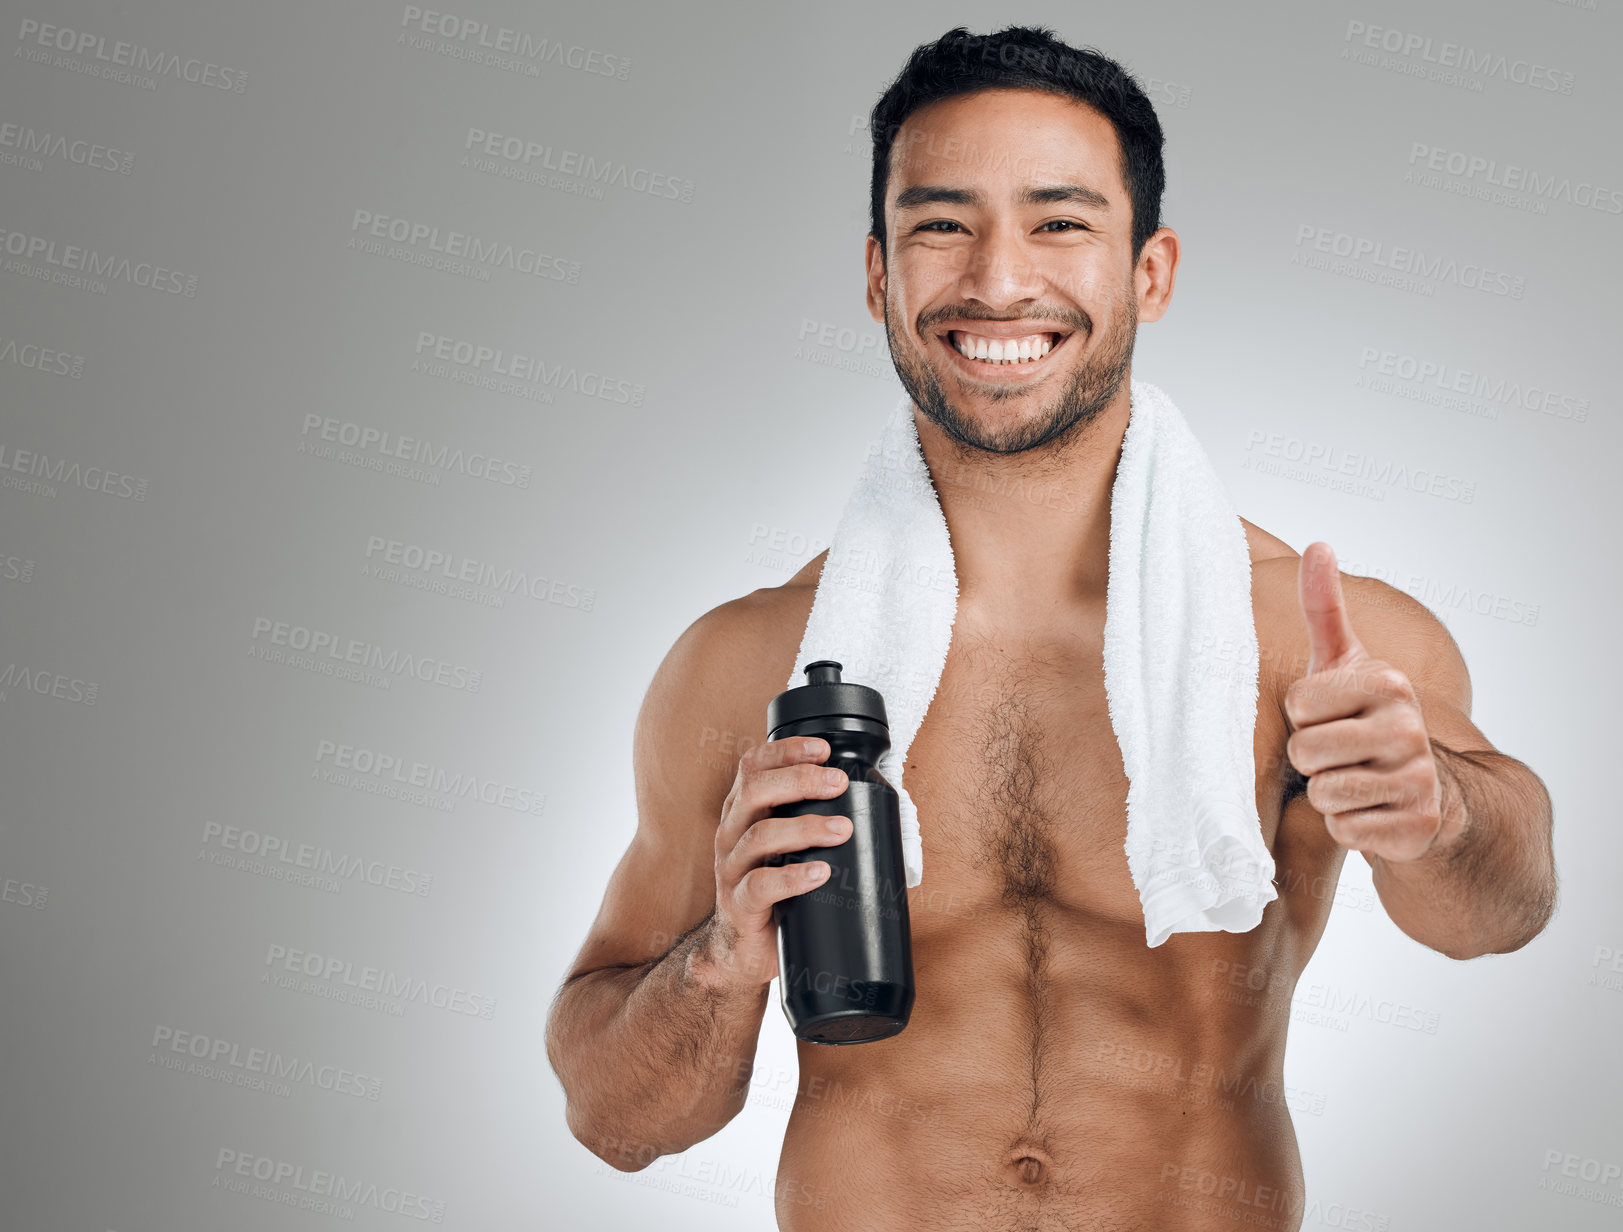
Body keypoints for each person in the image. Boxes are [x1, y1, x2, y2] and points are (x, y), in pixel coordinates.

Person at [545, 25, 1556, 1230]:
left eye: (1061, 221)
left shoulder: (1307, 638)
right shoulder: (752, 665)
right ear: (879, 275)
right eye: (942, 224)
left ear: (1151, 272)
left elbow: (1501, 911)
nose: (999, 280)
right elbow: (617, 1118)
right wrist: (724, 953)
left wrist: (1431, 807)